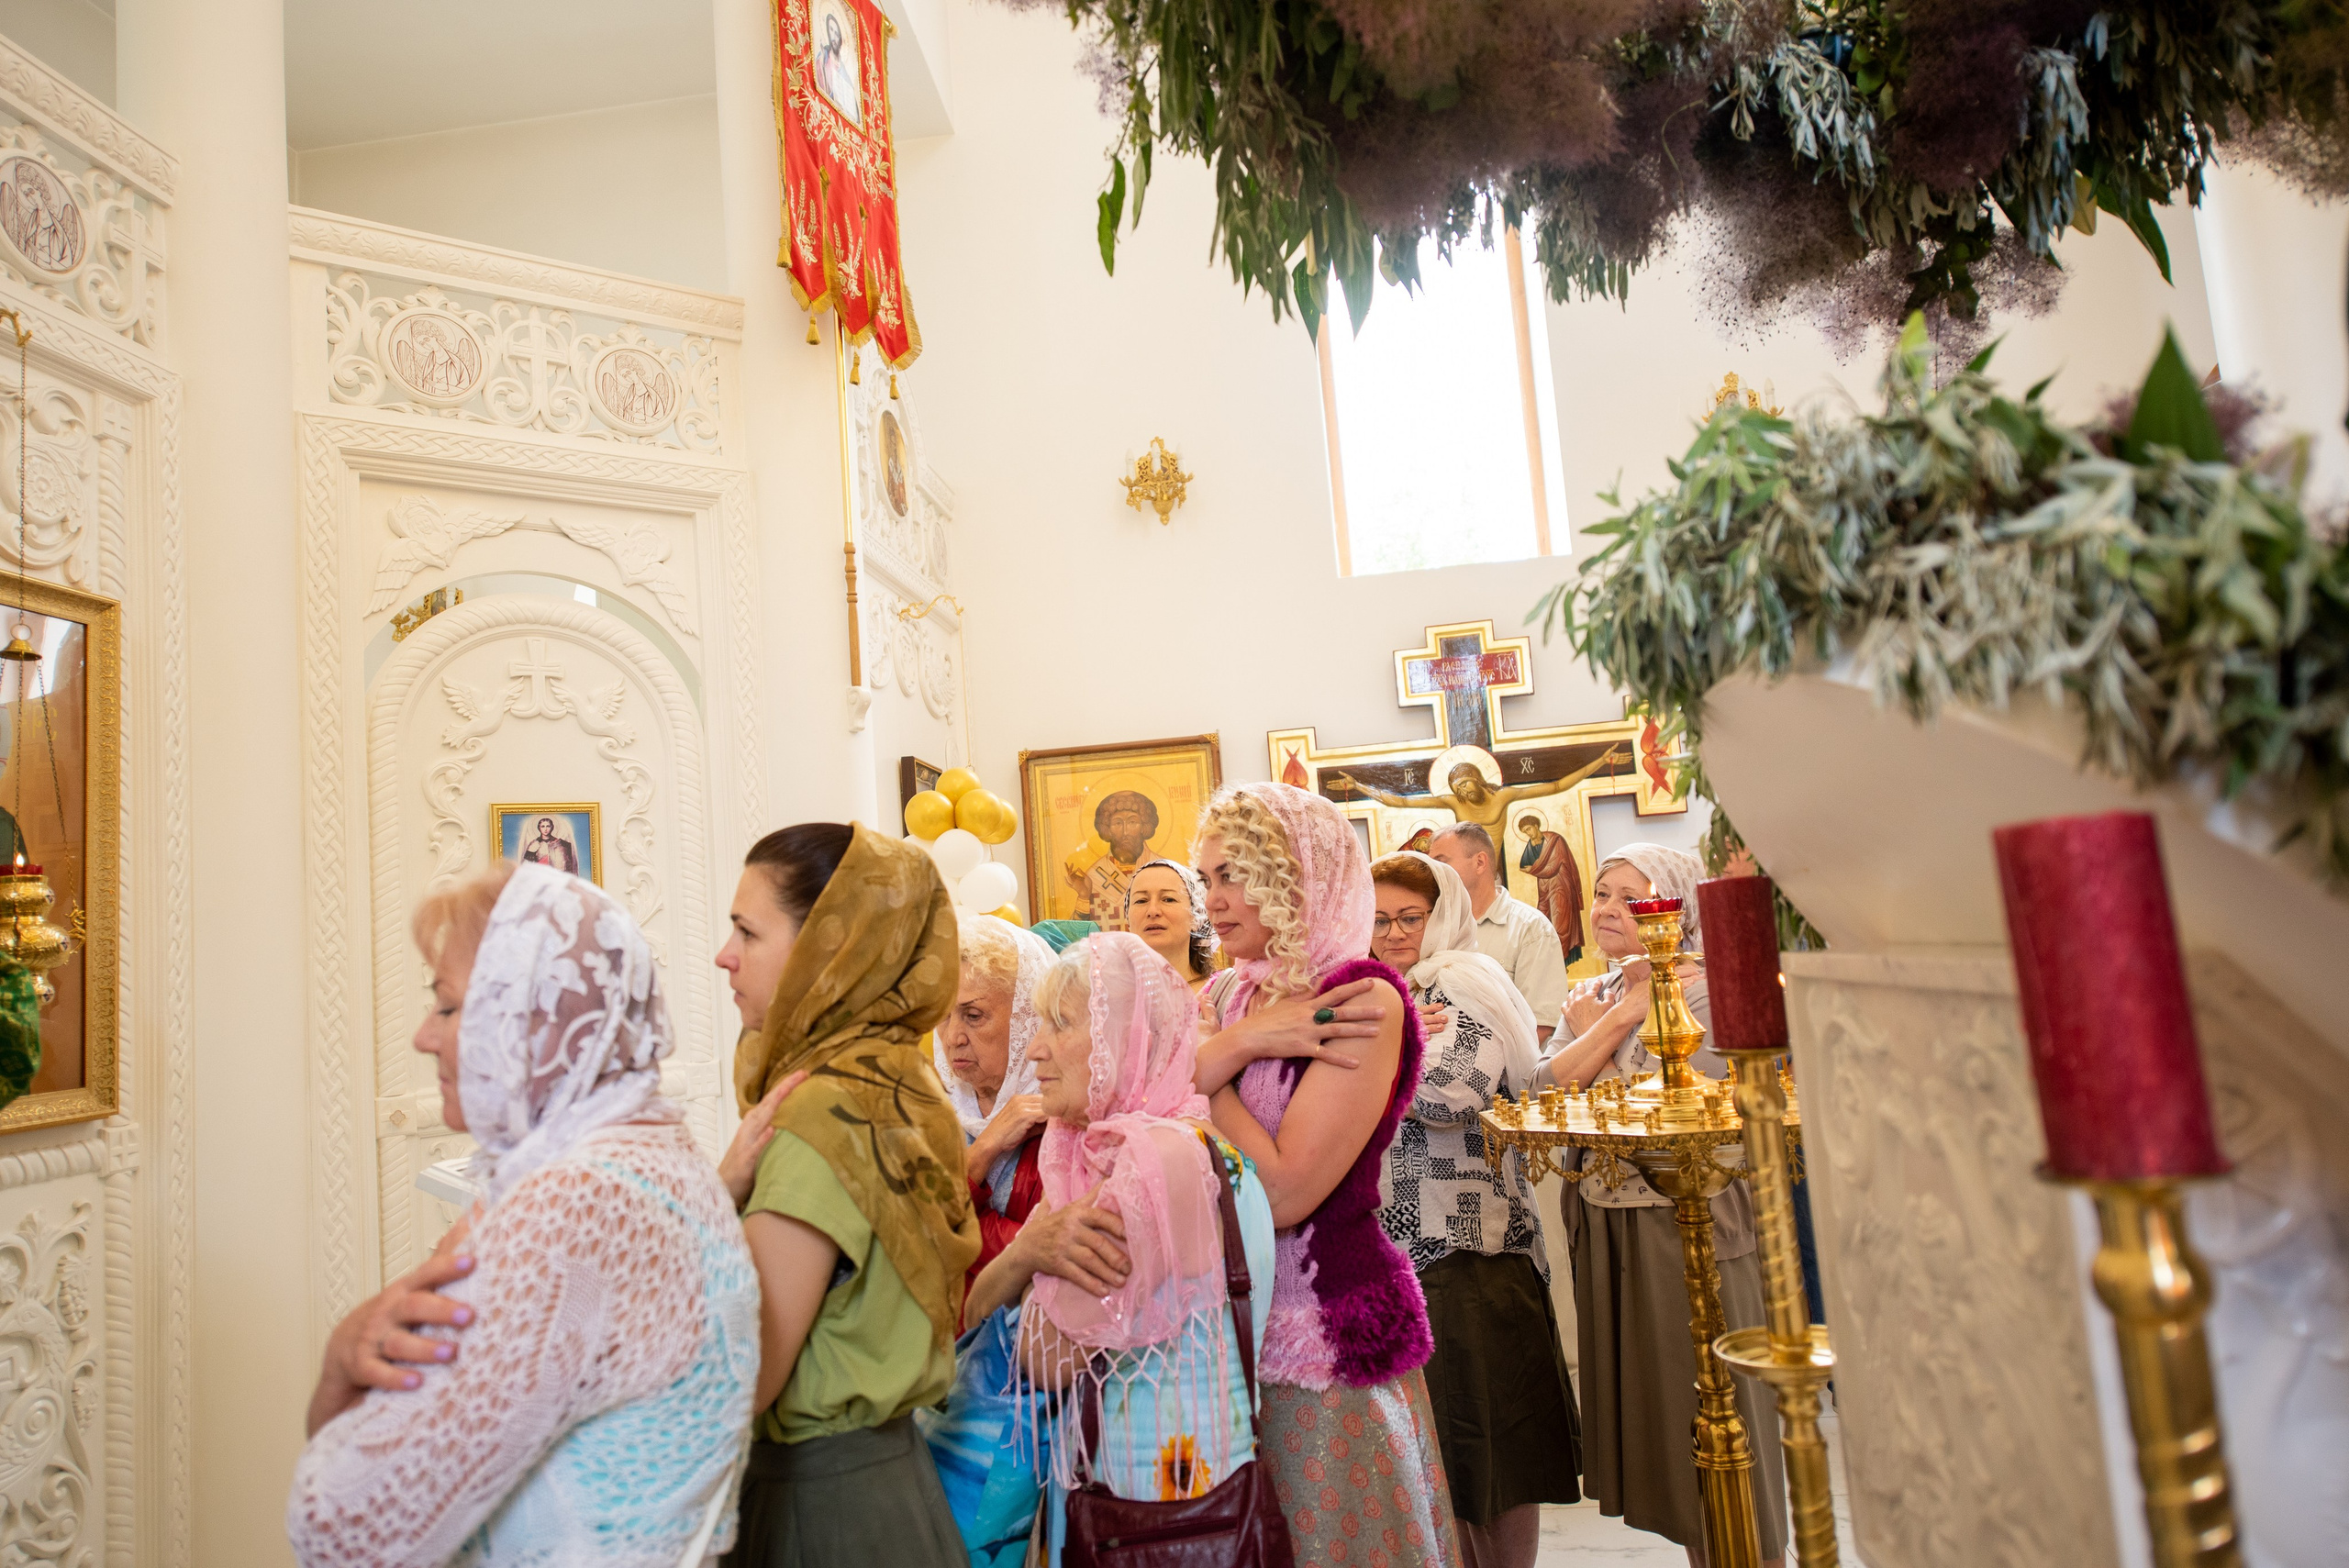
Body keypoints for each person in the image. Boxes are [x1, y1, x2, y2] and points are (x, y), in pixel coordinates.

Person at [289, 861, 759, 1566]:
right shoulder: (656, 1152)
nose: (423, 1036)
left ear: (531, 1022)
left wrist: (337, 1367)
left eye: (447, 1007)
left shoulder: (576, 1202)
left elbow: (341, 1528)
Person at [1190, 781, 1464, 1568]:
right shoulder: (1224, 991)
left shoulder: (1362, 995)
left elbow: (1282, 1190)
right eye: (1206, 877)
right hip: (1220, 1331)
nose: (1215, 898)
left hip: (1320, 1333)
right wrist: (1239, 1043)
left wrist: (1210, 1065)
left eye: (1235, 872)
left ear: (1297, 871)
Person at [712, 822, 979, 1567]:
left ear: (827, 952)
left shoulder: (815, 1117)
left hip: (821, 1508)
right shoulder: (899, 1084)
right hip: (893, 1487)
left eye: (746, 932)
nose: (724, 956)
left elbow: (745, 1371)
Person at [965, 933, 1277, 1564]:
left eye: (1061, 1024)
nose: (1035, 1048)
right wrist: (1028, 1254)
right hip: (1197, 1487)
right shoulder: (1205, 1146)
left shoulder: (1144, 1165)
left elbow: (1040, 1356)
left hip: (1142, 1512)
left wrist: (1021, 1260)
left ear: (1121, 1039)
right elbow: (984, 1312)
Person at [1533, 844, 1788, 1568]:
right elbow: (1542, 1087)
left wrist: (1592, 1045)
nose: (1607, 909)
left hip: (1690, 1222)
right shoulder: (1599, 993)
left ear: (1674, 907)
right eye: (1603, 894)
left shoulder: (1710, 992)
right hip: (1611, 1222)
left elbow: (1677, 1109)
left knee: (1720, 1407)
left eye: (1627, 895)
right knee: (1670, 1432)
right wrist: (1613, 1025)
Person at [1369, 851, 1581, 1568]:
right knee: (1443, 1456)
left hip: (1472, 1247)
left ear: (1445, 915)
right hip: (1401, 1245)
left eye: (1409, 916)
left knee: (1496, 1451)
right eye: (1378, 918)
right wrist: (1389, 1029)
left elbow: (1445, 1095)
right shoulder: (1387, 998)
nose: (1393, 932)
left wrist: (1377, 1041)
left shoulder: (1465, 983)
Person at [936, 912, 1053, 1285]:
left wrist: (953, 1228)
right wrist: (984, 1148)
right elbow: (906, 1234)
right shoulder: (933, 1105)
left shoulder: (1066, 1113)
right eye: (943, 1016)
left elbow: (1051, 1258)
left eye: (973, 1015)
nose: (953, 1037)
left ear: (1028, 1017)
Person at [1428, 822, 1569, 1047]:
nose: (1432, 871)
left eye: (1441, 862)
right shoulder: (1432, 927)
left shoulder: (1530, 928)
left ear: (1480, 862)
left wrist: (1479, 1064)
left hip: (1512, 1077)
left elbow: (1541, 1025)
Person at [1124, 856, 1218, 995]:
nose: (1153, 911)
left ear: (1196, 917)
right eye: (1141, 901)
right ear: (1128, 922)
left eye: (1168, 899)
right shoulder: (1109, 998)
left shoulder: (1222, 993)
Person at [1064, 789, 1158, 928]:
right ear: (1107, 829)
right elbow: (1075, 939)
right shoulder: (1094, 877)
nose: (1125, 831)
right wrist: (1084, 897)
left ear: (1144, 827)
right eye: (1118, 823)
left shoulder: (1162, 869)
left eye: (1132, 822)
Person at [1515, 812, 1585, 967]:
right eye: (1525, 832)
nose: (1528, 833)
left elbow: (1553, 866)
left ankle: (1561, 961)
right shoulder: (1532, 843)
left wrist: (1533, 869)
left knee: (1560, 920)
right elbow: (1523, 864)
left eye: (1529, 829)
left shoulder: (1555, 840)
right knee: (1543, 918)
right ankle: (1549, 961)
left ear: (1536, 825)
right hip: (1545, 886)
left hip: (1560, 885)